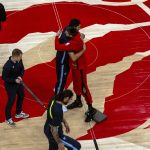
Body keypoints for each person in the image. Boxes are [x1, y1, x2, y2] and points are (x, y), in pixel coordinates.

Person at [55, 27, 97, 122]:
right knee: (76, 86)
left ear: (70, 35)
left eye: (66, 33)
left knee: (83, 88)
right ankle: (78, 101)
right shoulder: (77, 35)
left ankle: (91, 108)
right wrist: (83, 45)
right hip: (75, 67)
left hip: (80, 68)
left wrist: (56, 37)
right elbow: (82, 35)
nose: (65, 33)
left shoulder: (74, 43)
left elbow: (70, 56)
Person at [2, 49, 29, 127]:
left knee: (21, 95)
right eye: (20, 57)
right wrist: (14, 80)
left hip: (18, 82)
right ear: (15, 56)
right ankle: (8, 118)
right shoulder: (7, 66)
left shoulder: (19, 61)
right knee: (11, 101)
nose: (21, 58)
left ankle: (18, 112)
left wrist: (20, 76)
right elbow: (4, 78)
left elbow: (22, 69)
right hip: (10, 85)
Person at [55, 19, 81, 95]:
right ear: (74, 27)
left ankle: (58, 90)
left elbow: (79, 34)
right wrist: (83, 49)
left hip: (62, 60)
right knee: (62, 81)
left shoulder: (68, 28)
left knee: (61, 79)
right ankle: (57, 99)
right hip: (63, 63)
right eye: (79, 27)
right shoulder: (67, 40)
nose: (79, 29)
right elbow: (73, 57)